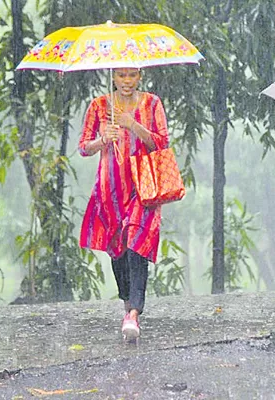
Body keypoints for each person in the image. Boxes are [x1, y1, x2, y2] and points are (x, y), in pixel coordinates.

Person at [78, 68, 169, 342]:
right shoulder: (99, 106)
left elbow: (162, 142)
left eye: (131, 75)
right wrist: (102, 139)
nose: (126, 81)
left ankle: (134, 313)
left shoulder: (152, 103)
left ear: (140, 76)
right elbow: (83, 147)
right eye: (121, 76)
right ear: (114, 78)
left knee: (137, 240)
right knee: (117, 249)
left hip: (143, 187)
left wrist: (133, 125)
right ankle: (128, 305)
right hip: (110, 189)